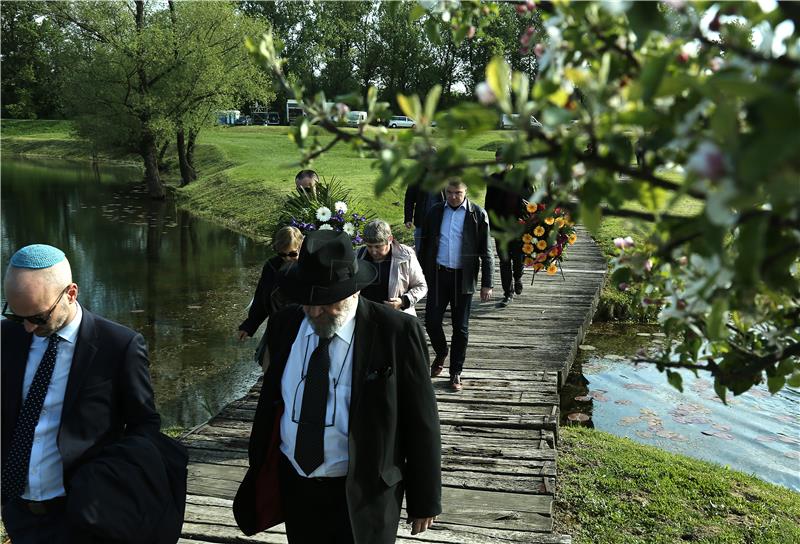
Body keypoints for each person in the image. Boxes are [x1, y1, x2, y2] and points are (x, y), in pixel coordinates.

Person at [233, 230, 441, 544]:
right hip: (298, 486)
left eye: (326, 302)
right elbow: (272, 403)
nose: (315, 311)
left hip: (364, 492)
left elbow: (421, 419)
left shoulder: (396, 332)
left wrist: (425, 497)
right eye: (309, 300)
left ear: (353, 292)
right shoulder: (284, 325)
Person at [1, 244, 185, 544]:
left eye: (38, 317)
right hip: (19, 512)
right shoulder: (7, 338)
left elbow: (145, 425)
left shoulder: (119, 346)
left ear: (71, 293)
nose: (27, 327)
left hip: (85, 514)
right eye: (15, 315)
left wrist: (109, 485)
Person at [418, 178, 494, 391]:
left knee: (460, 328)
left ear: (466, 192)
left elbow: (487, 252)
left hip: (464, 278)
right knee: (432, 322)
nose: (453, 197)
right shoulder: (434, 212)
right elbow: (424, 246)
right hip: (438, 275)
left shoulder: (477, 214)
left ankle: (455, 373)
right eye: (450, 192)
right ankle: (442, 352)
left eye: (458, 193)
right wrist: (419, 274)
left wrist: (487, 283)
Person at [238, 226, 304, 369]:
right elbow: (261, 298)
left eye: (292, 254)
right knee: (269, 367)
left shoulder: (307, 266)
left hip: (302, 325)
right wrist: (249, 325)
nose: (287, 259)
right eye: (282, 255)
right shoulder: (272, 267)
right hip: (277, 324)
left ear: (301, 246)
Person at [484, 148, 533, 308]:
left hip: (518, 226)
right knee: (504, 260)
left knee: (518, 258)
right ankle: (507, 293)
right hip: (500, 228)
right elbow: (488, 204)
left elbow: (532, 201)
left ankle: (518, 277)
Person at [357, 219, 427, 316]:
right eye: (369, 246)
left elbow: (421, 286)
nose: (373, 251)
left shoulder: (406, 255)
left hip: (396, 317)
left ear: (389, 239)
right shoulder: (358, 256)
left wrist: (403, 301)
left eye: (378, 247)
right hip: (365, 316)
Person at [404, 179, 444, 254]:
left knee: (440, 252)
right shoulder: (417, 176)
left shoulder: (444, 174)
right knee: (420, 251)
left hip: (440, 222)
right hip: (421, 222)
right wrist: (408, 218)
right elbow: (409, 198)